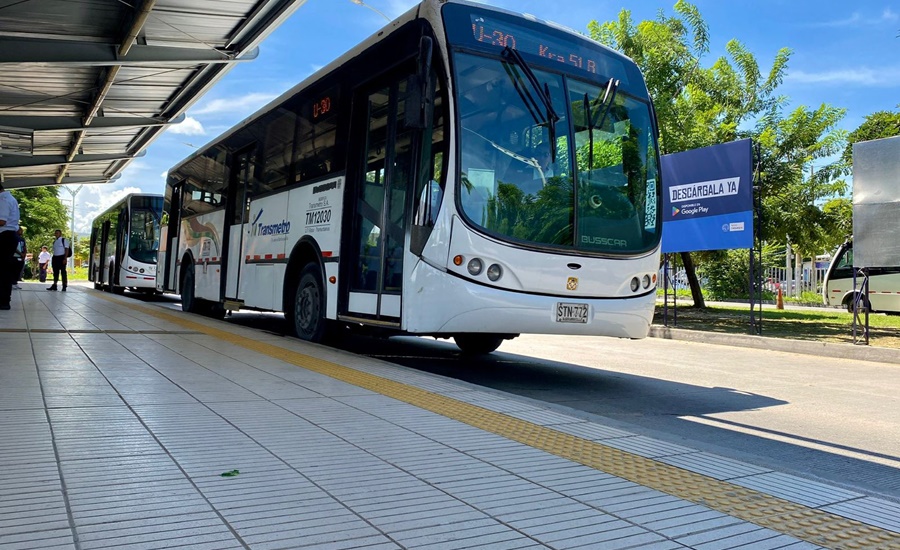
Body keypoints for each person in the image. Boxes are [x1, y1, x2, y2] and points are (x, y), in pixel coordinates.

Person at [0, 181, 21, 310]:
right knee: (4, 270)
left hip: (4, 237)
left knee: (2, 271)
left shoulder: (2, 199)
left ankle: (3, 301)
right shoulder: (9, 198)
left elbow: (2, 221)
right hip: (8, 237)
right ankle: (4, 300)